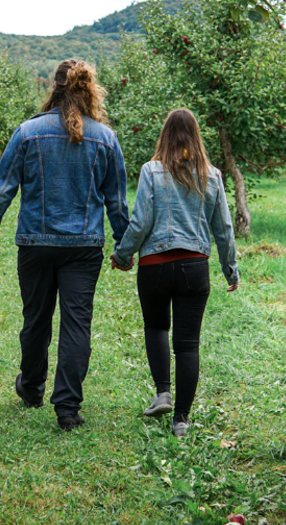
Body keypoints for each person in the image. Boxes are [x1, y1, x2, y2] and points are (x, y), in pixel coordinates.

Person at [0, 59, 129, 431]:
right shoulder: (105, 139)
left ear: (53, 88)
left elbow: (3, 190)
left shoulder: (27, 133)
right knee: (77, 325)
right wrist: (123, 247)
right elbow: (117, 202)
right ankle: (67, 408)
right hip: (83, 246)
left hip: (35, 244)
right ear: (89, 91)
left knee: (36, 319)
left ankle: (31, 387)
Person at [110, 108, 239, 438]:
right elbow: (224, 229)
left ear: (165, 135)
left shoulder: (151, 171)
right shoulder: (212, 175)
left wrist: (122, 255)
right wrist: (230, 270)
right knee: (188, 344)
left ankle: (163, 393)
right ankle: (181, 419)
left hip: (154, 266)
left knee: (156, 327)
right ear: (196, 136)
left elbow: (140, 221)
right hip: (194, 268)